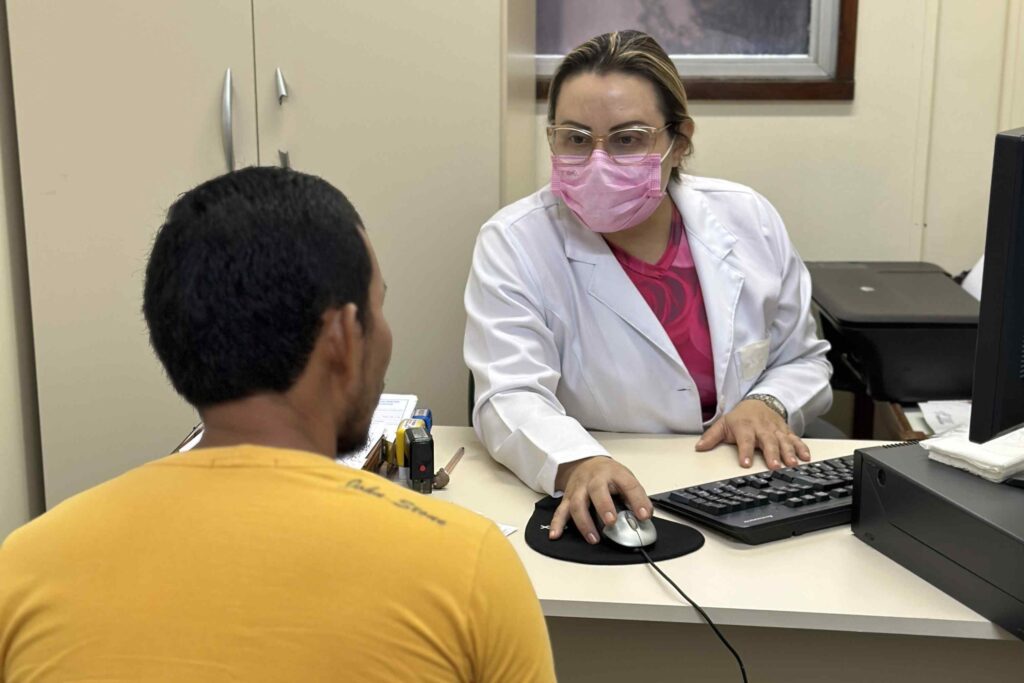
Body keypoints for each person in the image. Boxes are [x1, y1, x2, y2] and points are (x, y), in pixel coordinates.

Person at [0, 167, 555, 682]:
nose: (385, 335)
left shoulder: (21, 568)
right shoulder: (469, 572)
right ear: (340, 336)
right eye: (378, 308)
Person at [464, 31, 832, 546]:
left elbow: (805, 359)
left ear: (678, 141)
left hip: (742, 486)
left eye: (628, 138)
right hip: (610, 488)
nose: (597, 160)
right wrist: (577, 462)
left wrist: (767, 402)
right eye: (574, 138)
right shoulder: (515, 241)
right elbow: (509, 392)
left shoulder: (749, 218)